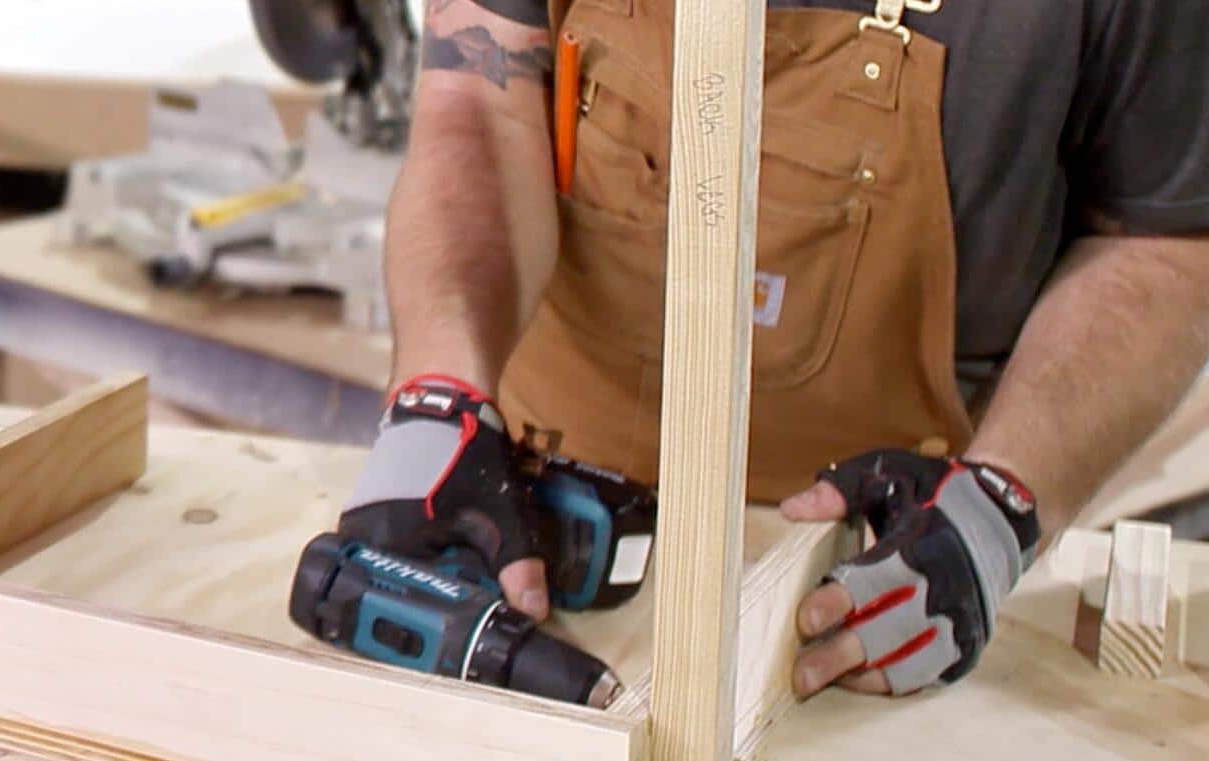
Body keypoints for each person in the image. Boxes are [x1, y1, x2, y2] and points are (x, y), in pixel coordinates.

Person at [337, 0, 1209, 698]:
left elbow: (1162, 242)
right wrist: (439, 397)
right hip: (535, 524)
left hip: (884, 582)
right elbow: (482, 99)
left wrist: (1005, 499)